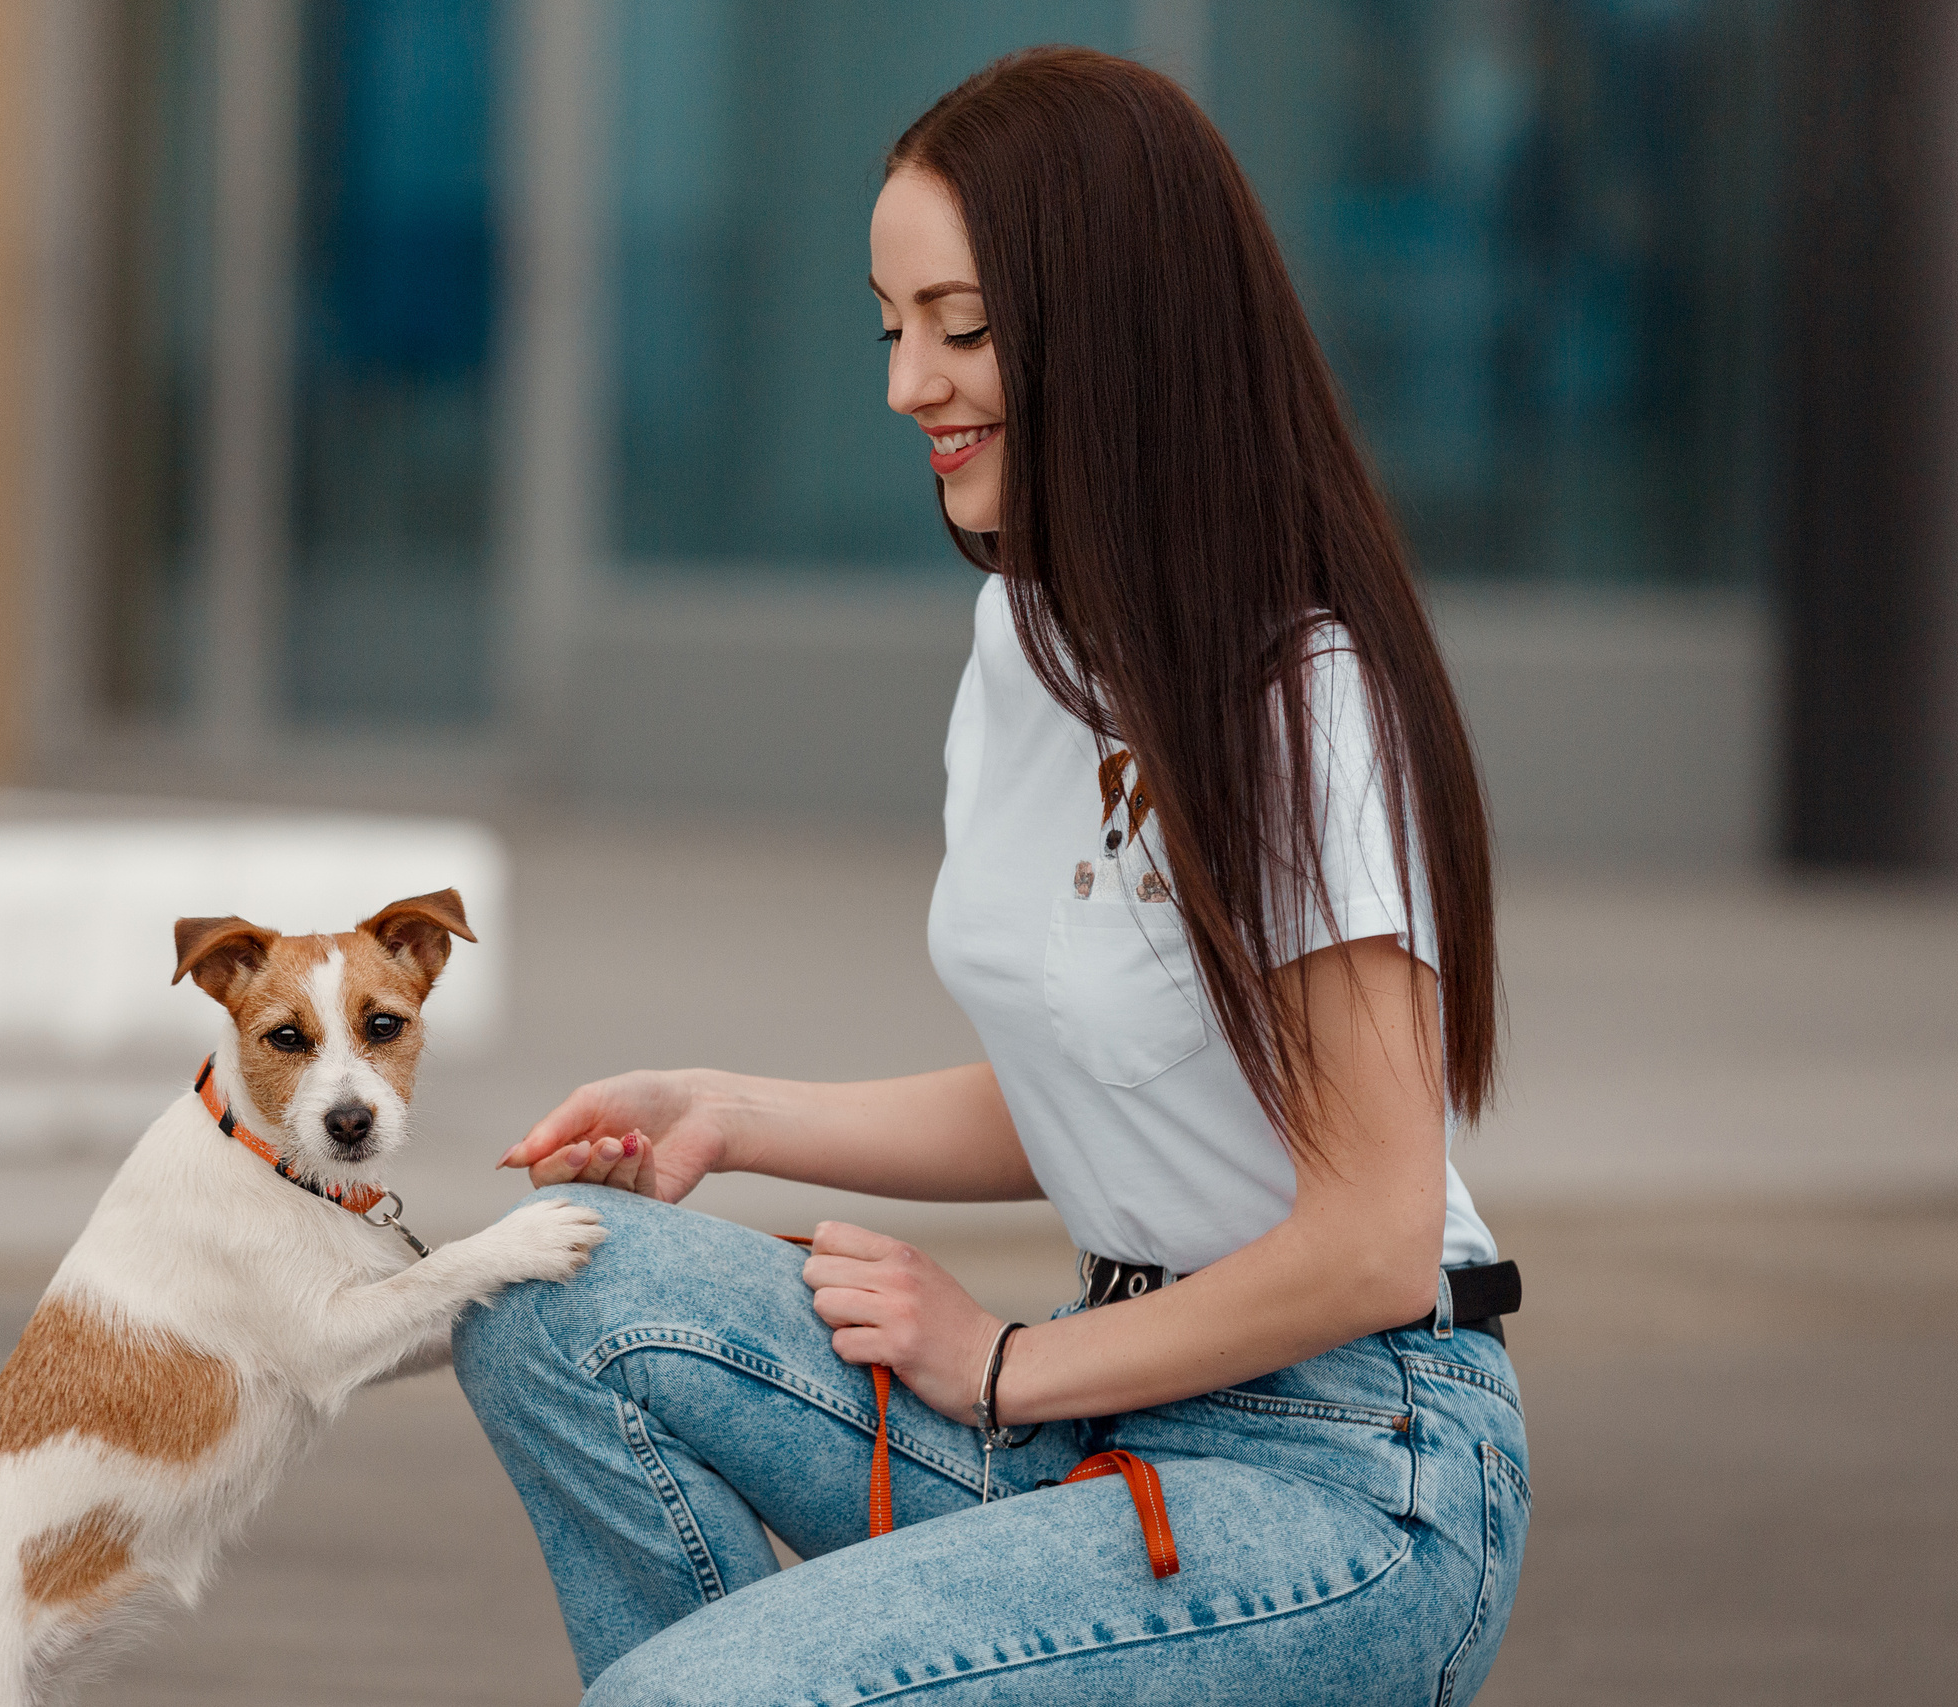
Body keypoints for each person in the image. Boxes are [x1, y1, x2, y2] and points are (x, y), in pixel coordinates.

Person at [456, 46, 1527, 1706]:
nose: (908, 383)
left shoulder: (1299, 698)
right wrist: (726, 1113)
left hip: (1345, 1472)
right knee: (552, 1288)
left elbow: (1377, 1243)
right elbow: (1103, 1084)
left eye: (959, 327)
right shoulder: (1028, 645)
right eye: (893, 328)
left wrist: (1006, 1361)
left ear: (1112, 326)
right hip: (1097, 1409)